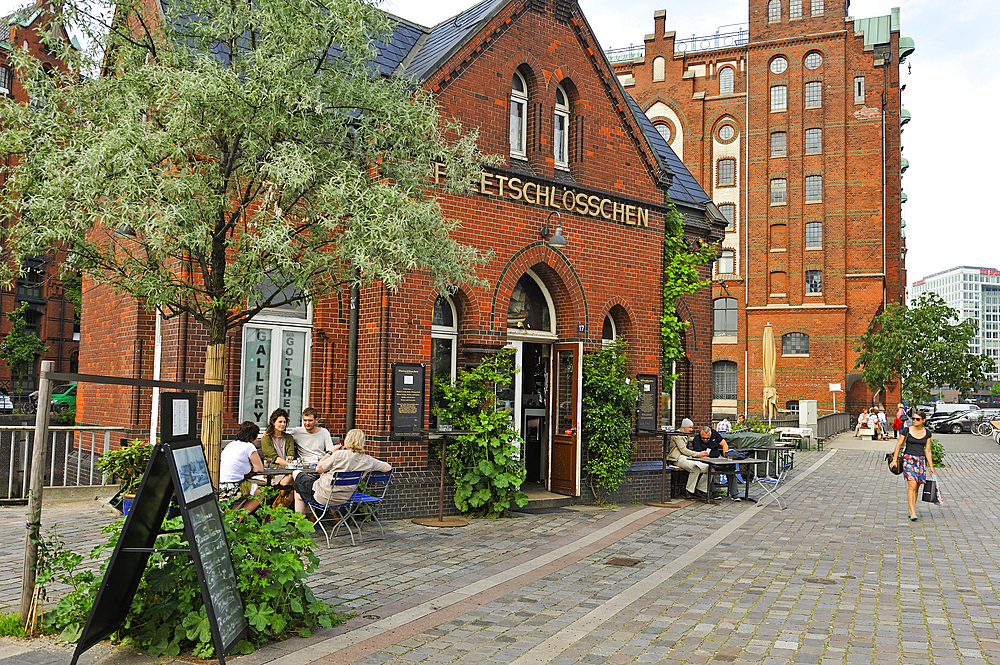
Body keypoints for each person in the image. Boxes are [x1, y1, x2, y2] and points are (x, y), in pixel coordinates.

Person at [291, 429, 391, 515]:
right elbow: (388, 468)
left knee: (296, 475)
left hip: (323, 496)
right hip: (343, 499)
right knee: (300, 490)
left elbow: (318, 469)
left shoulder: (339, 454)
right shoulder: (367, 460)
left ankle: (299, 525)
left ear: (347, 440)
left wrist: (330, 452)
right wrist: (365, 472)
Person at [889, 409, 935, 521]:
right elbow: (898, 445)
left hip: (921, 461)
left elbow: (928, 451)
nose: (914, 421)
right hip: (909, 460)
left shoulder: (927, 433)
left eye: (917, 419)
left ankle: (911, 508)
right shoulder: (907, 430)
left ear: (923, 420)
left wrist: (931, 467)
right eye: (913, 418)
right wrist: (894, 460)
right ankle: (913, 511)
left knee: (917, 487)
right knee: (912, 486)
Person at [219, 421, 265, 512]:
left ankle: (233, 520)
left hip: (221, 486)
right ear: (253, 436)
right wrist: (251, 467)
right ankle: (239, 518)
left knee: (244, 491)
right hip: (233, 487)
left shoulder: (231, 444)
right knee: (262, 491)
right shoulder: (249, 447)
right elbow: (260, 468)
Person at [689, 425, 740, 501]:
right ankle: (714, 492)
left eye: (707, 438)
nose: (705, 440)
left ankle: (734, 494)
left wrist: (725, 455)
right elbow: (699, 455)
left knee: (731, 467)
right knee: (709, 468)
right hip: (706, 460)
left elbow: (724, 444)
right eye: (703, 438)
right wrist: (711, 460)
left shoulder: (714, 433)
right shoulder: (696, 440)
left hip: (717, 457)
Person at [667, 418, 711, 499]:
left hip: (686, 458)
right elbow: (684, 450)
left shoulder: (685, 435)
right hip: (677, 458)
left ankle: (700, 489)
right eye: (690, 427)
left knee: (708, 468)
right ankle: (688, 491)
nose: (691, 429)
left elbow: (693, 440)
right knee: (695, 469)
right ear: (684, 427)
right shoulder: (678, 435)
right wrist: (699, 454)